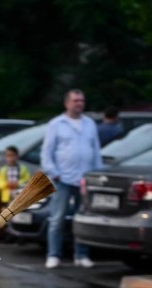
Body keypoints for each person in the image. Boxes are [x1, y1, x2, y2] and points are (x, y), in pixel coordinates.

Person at [41, 89, 102, 269]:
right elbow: (47, 152)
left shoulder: (89, 123)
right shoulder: (56, 124)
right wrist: (53, 171)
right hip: (63, 178)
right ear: (67, 103)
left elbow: (95, 150)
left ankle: (81, 254)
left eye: (82, 101)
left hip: (84, 179)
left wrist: (97, 174)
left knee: (82, 218)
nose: (79, 104)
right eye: (76, 101)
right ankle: (53, 254)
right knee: (57, 219)